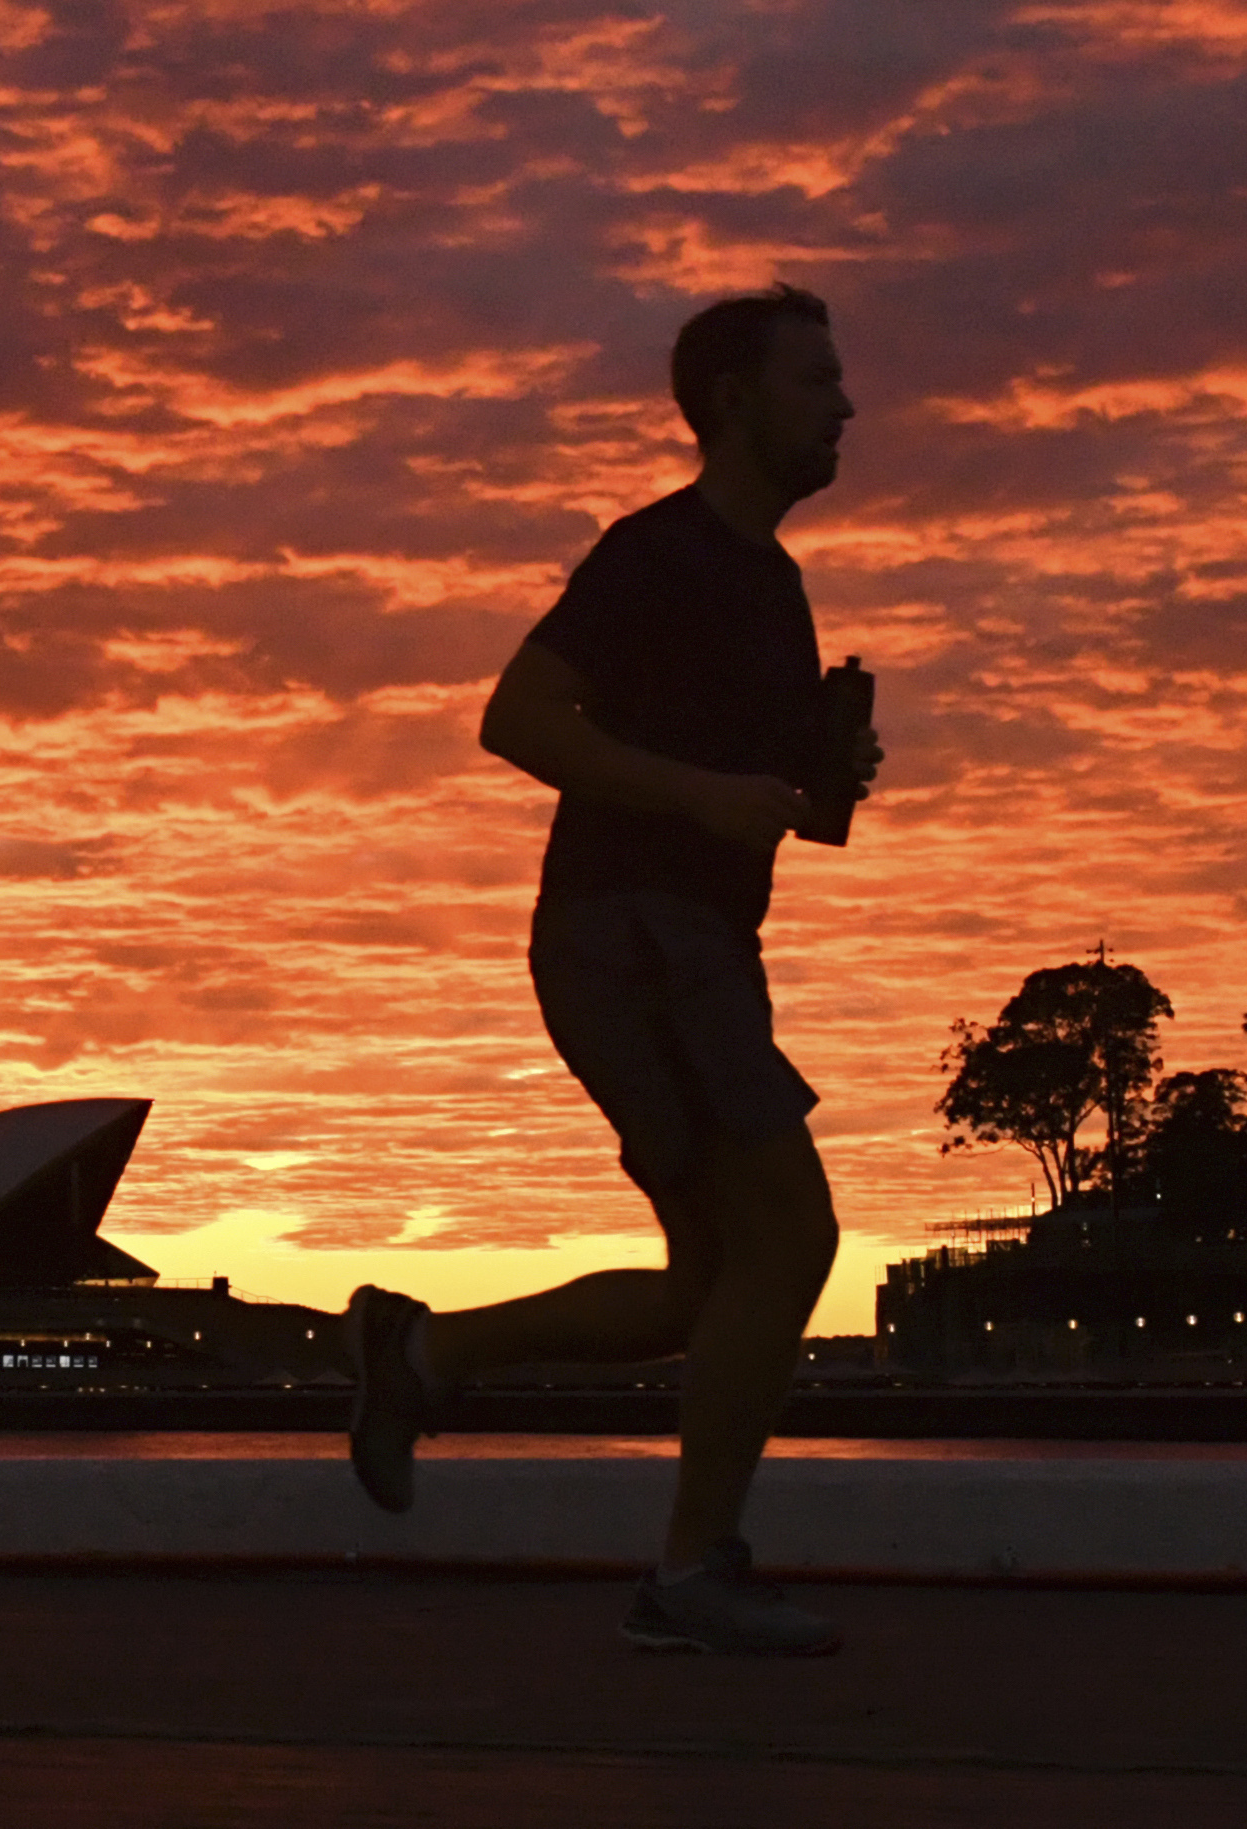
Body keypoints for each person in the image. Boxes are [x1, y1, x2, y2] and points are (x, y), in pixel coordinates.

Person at [344, 285, 878, 1658]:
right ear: (731, 403)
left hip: (687, 943)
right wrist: (702, 796)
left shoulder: (772, 585)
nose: (845, 406)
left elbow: (772, 802)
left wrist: (821, 777)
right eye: (816, 380)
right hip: (636, 938)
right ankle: (692, 1573)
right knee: (795, 1238)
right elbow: (515, 714)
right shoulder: (659, 554)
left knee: (706, 1281)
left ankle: (423, 1356)